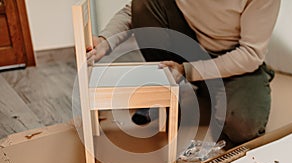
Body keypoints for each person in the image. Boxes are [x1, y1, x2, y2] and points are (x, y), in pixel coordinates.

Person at [88, 0, 281, 144]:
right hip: (193, 44)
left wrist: (188, 71)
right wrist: (107, 40)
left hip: (235, 59)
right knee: (144, 4)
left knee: (243, 128)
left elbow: (250, 54)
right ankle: (166, 88)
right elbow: (136, 10)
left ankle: (226, 85)